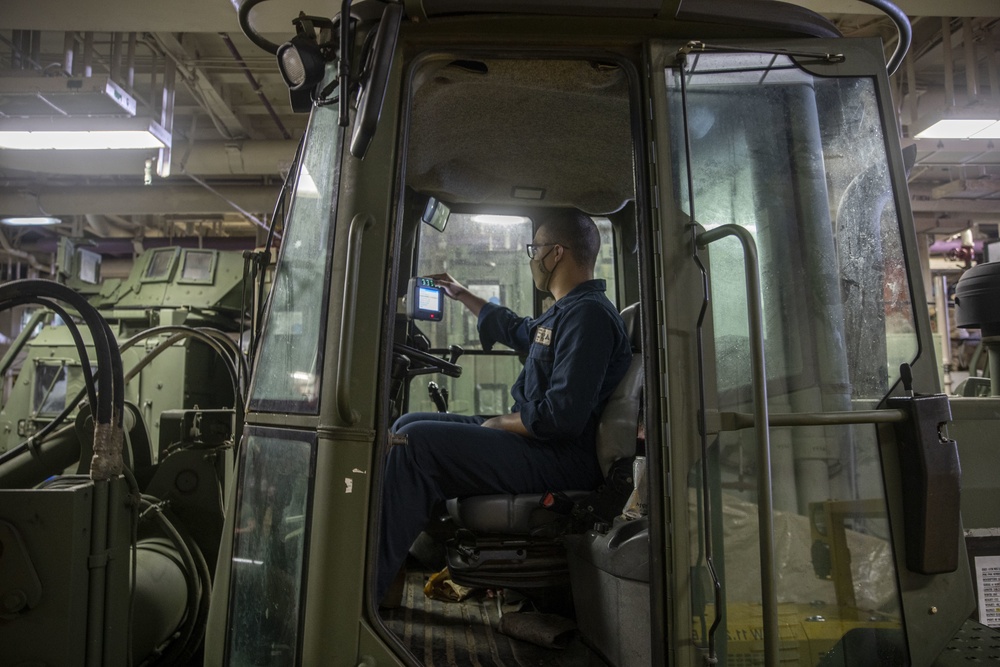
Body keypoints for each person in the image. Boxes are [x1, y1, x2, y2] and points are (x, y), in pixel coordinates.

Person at [376, 208, 632, 605]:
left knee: (415, 443)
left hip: (560, 455)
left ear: (556, 253)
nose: (533, 258)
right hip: (540, 444)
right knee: (407, 423)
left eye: (536, 249)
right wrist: (462, 293)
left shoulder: (590, 317)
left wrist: (499, 422)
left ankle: (365, 593)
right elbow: (517, 330)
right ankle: (388, 573)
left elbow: (560, 418)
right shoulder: (566, 311)